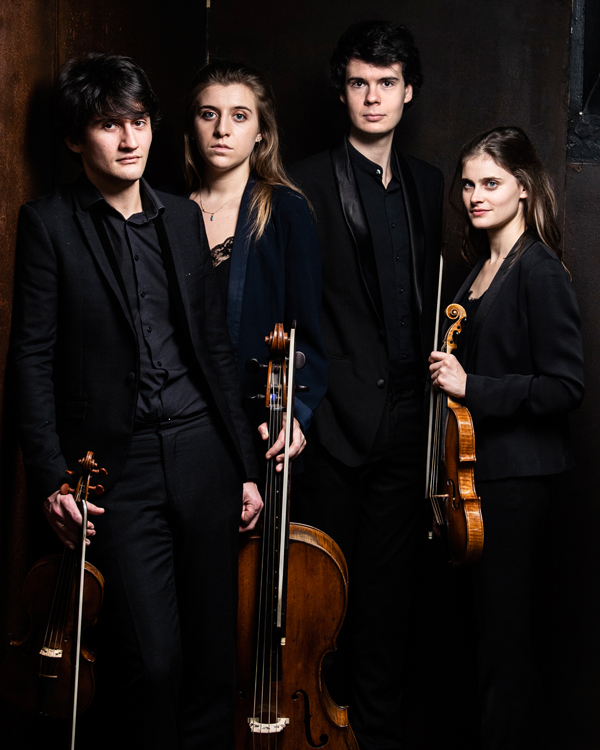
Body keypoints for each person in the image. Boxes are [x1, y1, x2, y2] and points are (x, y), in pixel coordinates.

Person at [10, 52, 263, 750]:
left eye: (140, 122)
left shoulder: (182, 218)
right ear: (74, 138)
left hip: (204, 453)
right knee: (152, 663)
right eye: (108, 125)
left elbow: (213, 349)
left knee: (215, 661)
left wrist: (243, 465)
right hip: (118, 470)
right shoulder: (49, 224)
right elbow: (30, 361)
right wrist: (55, 478)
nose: (129, 140)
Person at [290, 20, 444, 750]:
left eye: (387, 84)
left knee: (391, 606)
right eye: (359, 83)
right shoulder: (304, 180)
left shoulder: (427, 183)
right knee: (326, 610)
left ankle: (376, 740)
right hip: (332, 429)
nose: (373, 97)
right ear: (342, 91)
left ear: (407, 92)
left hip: (409, 426)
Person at [429, 126, 584, 749]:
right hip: (472, 483)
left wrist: (473, 386)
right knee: (480, 643)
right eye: (467, 184)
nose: (475, 196)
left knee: (506, 647)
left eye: (491, 183)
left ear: (524, 188)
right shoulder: (478, 270)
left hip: (517, 487)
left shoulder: (539, 270)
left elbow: (564, 387)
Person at [182, 60, 327, 469]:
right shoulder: (167, 213)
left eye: (239, 116)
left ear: (261, 132)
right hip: (180, 423)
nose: (222, 129)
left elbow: (305, 335)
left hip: (253, 421)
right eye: (209, 114)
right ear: (193, 125)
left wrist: (291, 413)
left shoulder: (285, 210)